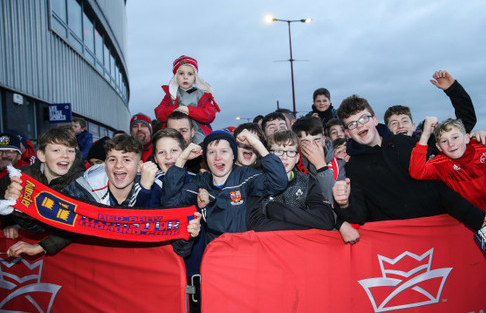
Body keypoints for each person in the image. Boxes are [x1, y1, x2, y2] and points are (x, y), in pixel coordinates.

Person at [4, 134, 201, 257]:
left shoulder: (158, 188)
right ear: (103, 164)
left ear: (140, 165)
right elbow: (50, 221)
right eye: (112, 159)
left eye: (127, 159)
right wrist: (22, 206)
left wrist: (188, 234)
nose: (119, 166)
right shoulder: (86, 186)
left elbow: (180, 250)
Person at [332, 95, 486, 231]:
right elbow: (359, 216)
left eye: (363, 118)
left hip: (440, 228)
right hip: (401, 244)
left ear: (374, 120)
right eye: (352, 124)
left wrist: (477, 217)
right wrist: (344, 204)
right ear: (347, 133)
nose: (359, 125)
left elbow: (440, 187)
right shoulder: (353, 168)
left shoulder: (406, 144)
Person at [161, 129, 288, 244]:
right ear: (205, 157)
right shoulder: (201, 182)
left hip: (245, 250)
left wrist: (257, 145)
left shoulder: (244, 176)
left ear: (233, 155)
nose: (218, 157)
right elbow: (171, 203)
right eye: (211, 152)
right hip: (214, 254)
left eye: (224, 151)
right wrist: (182, 159)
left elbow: (278, 182)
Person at [1, 127, 86, 256]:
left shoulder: (81, 183)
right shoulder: (20, 177)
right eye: (56, 150)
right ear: (41, 155)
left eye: (70, 151)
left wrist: (40, 247)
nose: (65, 156)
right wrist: (9, 219)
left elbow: (78, 224)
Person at [409, 117, 486, 212]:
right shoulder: (441, 163)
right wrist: (426, 135)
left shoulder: (485, 151)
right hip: (466, 217)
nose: (451, 144)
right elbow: (416, 172)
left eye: (455, 137)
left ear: (466, 138)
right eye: (444, 141)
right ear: (438, 147)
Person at [247, 130, 335, 231]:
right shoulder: (258, 182)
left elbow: (326, 219)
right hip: (270, 243)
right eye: (278, 151)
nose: (284, 157)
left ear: (297, 158)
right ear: (268, 156)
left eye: (290, 152)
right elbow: (256, 224)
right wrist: (305, 225)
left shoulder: (307, 182)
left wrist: (278, 211)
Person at [291, 116, 359, 244]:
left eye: (316, 140)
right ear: (298, 145)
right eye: (306, 142)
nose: (313, 146)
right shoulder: (292, 167)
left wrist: (321, 166)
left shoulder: (341, 166)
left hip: (338, 236)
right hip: (307, 235)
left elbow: (337, 203)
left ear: (323, 140)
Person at [383, 70, 477, 137]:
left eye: (405, 121)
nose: (401, 126)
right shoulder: (382, 153)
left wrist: (452, 89)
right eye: (394, 123)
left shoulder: (430, 145)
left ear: (413, 126)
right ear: (387, 129)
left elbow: (465, 123)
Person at [154, 55, 220, 144]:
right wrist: (174, 111)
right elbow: (159, 113)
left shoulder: (202, 95)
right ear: (175, 76)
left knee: (202, 147)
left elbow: (210, 115)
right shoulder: (170, 95)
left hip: (197, 132)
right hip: (173, 133)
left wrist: (189, 110)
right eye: (181, 73)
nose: (185, 77)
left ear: (195, 77)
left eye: (190, 74)